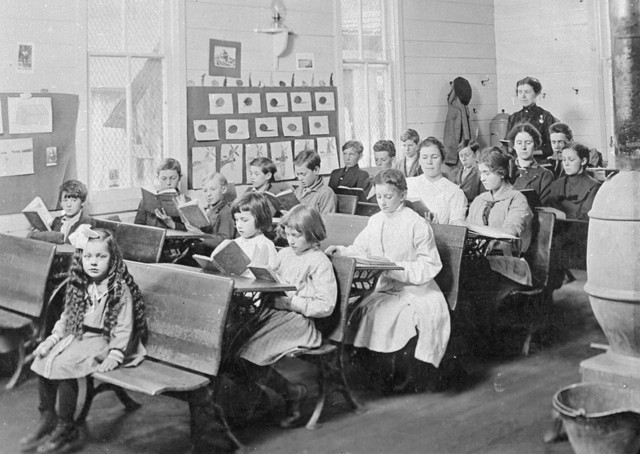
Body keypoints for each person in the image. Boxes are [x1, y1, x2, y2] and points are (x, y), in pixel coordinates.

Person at [22, 227, 147, 453]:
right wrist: (51, 340)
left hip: (104, 341)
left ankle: (66, 424)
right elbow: (67, 318)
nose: (94, 262)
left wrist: (116, 353)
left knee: (64, 364)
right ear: (81, 258)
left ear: (113, 259)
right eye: (88, 256)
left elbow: (124, 326)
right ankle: (47, 416)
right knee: (44, 357)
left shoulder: (118, 288)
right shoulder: (81, 284)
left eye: (101, 256)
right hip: (81, 336)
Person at [326, 169, 449, 392]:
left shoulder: (417, 224)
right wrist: (342, 251)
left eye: (388, 196)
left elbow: (430, 264)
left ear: (402, 195)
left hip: (416, 289)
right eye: (379, 196)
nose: (382, 202)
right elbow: (361, 248)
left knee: (395, 317)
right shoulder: (375, 221)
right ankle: (379, 371)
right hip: (384, 287)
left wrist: (394, 268)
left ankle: (401, 374)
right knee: (360, 313)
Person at [237, 205, 337, 428]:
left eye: (296, 235)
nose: (290, 240)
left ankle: (290, 393)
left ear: (312, 233)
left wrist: (293, 304)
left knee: (251, 351)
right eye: (288, 234)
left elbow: (326, 305)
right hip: (276, 315)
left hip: (302, 323)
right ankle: (287, 392)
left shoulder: (319, 261)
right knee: (238, 347)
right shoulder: (284, 254)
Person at [463, 149, 534, 347]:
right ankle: (470, 336)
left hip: (510, 262)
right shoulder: (479, 200)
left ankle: (483, 341)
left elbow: (513, 229)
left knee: (474, 275)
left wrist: (487, 238)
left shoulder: (516, 198)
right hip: (482, 260)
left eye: (487, 173)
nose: (482, 178)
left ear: (501, 172)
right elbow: (468, 227)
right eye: (481, 173)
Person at [406, 137, 467, 224]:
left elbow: (457, 230)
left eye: (434, 157)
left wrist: (436, 227)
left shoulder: (455, 192)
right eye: (424, 157)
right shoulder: (409, 184)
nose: (429, 162)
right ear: (419, 160)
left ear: (442, 160)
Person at [184, 173, 236, 261]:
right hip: (201, 251)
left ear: (223, 189)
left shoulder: (226, 212)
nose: (208, 194)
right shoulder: (208, 210)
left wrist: (200, 235)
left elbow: (225, 241)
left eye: (213, 189)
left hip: (213, 256)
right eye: (205, 191)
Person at [506, 77, 559, 159]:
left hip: (539, 163)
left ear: (536, 94)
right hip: (516, 162)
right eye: (520, 92)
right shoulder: (513, 117)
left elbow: (552, 146)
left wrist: (532, 152)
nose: (523, 96)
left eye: (527, 92)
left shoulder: (546, 117)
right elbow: (507, 142)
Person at [29, 179, 95, 244]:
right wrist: (39, 234)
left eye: (74, 200)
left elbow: (75, 247)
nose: (68, 205)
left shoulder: (87, 222)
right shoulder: (57, 221)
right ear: (60, 203)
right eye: (65, 200)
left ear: (82, 202)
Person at [547, 143, 601, 221]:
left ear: (583, 161)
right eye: (564, 160)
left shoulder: (594, 187)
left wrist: (563, 216)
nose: (566, 164)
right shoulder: (556, 184)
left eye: (571, 160)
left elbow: (586, 219)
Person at [231, 192, 279, 278]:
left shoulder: (266, 244)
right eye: (236, 220)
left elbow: (272, 274)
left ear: (260, 219)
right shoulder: (235, 243)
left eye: (244, 220)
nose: (239, 225)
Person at [134, 158, 189, 230]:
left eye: (173, 178)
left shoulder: (187, 201)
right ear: (158, 178)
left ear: (179, 178)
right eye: (164, 178)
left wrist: (172, 224)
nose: (168, 183)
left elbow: (192, 232)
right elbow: (137, 227)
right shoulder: (147, 200)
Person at [509, 122, 554, 206]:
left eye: (528, 143)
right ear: (513, 145)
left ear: (535, 145)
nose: (523, 147)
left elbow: (543, 208)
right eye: (519, 143)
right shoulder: (506, 170)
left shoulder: (544, 175)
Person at [293, 150, 337, 215]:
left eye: (303, 174)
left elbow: (326, 222)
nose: (300, 179)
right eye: (298, 174)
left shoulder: (326, 193)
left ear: (316, 170)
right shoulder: (298, 191)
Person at [449, 140, 485, 205]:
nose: (464, 159)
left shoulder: (481, 173)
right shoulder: (454, 173)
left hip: (473, 209)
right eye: (461, 156)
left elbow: (484, 198)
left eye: (467, 155)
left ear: (476, 154)